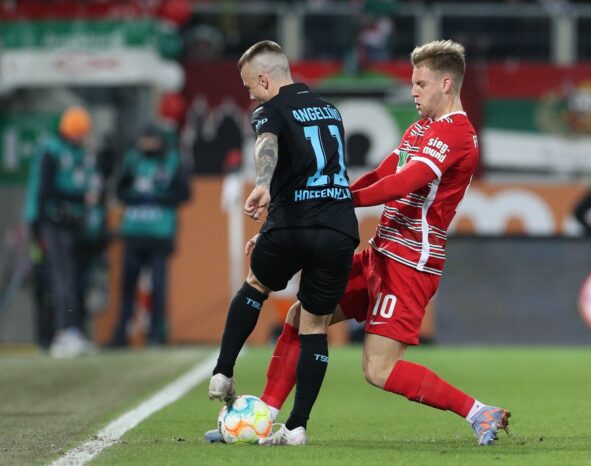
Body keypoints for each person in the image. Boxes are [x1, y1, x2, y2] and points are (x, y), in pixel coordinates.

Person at [207, 39, 510, 447]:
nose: (412, 91)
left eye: (420, 83)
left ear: (445, 83)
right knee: (300, 318)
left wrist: (335, 201)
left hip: (410, 263)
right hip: (380, 253)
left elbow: (404, 183)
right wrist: (326, 202)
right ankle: (265, 419)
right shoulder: (420, 129)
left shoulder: (458, 134)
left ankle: (478, 412)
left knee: (378, 370)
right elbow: (382, 174)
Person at [207, 40, 359, 446]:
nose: (249, 95)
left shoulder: (269, 110)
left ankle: (223, 371)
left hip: (293, 225)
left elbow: (267, 144)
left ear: (263, 79)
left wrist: (262, 184)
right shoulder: (331, 110)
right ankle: (297, 427)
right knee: (315, 325)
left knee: (256, 285)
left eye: (249, 87)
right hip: (338, 229)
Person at [23, 106, 97, 357]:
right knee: (59, 277)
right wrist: (38, 225)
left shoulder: (75, 152)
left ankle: (71, 330)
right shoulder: (51, 149)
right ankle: (60, 333)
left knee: (70, 276)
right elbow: (45, 189)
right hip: (48, 222)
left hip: (65, 222)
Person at [109, 125, 190, 347]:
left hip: (159, 232)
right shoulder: (133, 159)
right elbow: (120, 190)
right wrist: (137, 197)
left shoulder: (172, 160)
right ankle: (121, 334)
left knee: (158, 285)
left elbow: (184, 193)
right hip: (134, 231)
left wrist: (156, 197)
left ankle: (156, 334)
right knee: (128, 285)